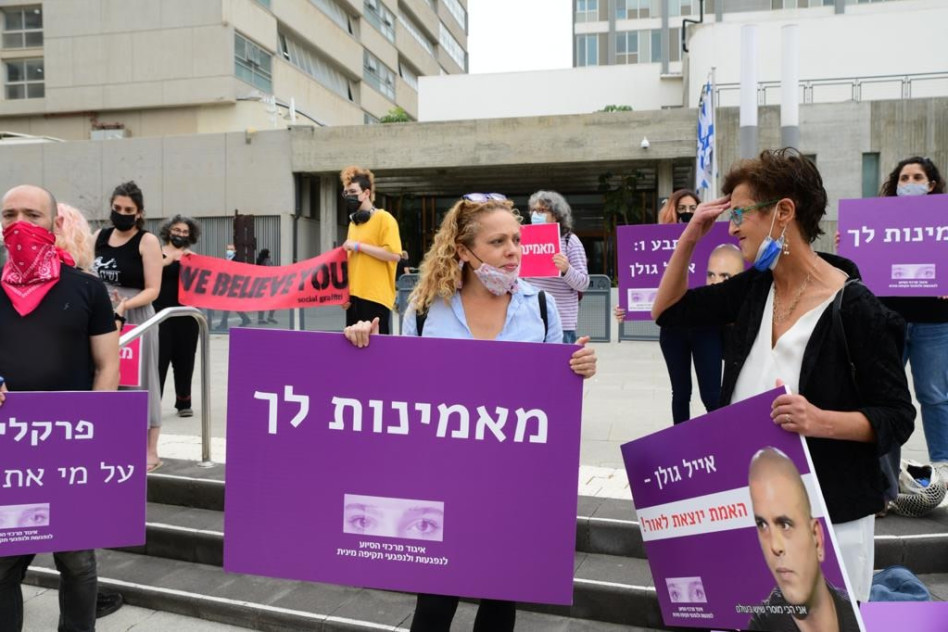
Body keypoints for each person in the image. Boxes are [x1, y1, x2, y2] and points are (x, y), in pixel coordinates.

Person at [651, 148, 915, 602]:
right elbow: (668, 311)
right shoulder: (756, 288)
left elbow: (898, 416)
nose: (731, 228)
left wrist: (818, 421)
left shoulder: (856, 308)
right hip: (754, 512)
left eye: (739, 214)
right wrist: (691, 235)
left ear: (784, 212)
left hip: (831, 515)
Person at [343, 193, 597, 632]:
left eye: (516, 239)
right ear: (463, 250)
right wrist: (363, 348)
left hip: (513, 482)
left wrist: (578, 369)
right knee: (435, 603)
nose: (514, 250)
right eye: (498, 242)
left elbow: (552, 402)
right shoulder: (425, 311)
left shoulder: (540, 307)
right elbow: (399, 394)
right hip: (444, 480)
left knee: (500, 601)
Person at [0, 184, 120, 632]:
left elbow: (108, 367)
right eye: (9, 215)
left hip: (70, 450)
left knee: (77, 565)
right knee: (5, 566)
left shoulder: (87, 291)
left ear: (55, 223)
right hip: (8, 453)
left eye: (32, 214)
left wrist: (94, 431)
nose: (19, 225)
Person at [616, 190, 732, 424]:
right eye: (682, 209)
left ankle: (724, 439)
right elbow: (645, 280)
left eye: (692, 209)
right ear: (672, 211)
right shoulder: (657, 244)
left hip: (706, 327)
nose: (687, 214)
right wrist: (627, 308)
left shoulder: (715, 241)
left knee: (711, 395)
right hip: (673, 329)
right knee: (680, 394)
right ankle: (683, 444)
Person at [877, 157, 948, 488]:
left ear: (931, 184)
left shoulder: (945, 220)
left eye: (918, 176)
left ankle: (943, 472)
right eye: (904, 177)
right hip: (890, 320)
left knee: (934, 395)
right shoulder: (879, 219)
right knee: (886, 397)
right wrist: (850, 245)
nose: (910, 182)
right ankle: (885, 479)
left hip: (935, 322)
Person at [92, 180, 165, 472]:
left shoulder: (147, 241)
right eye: (117, 208)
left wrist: (124, 306)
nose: (121, 213)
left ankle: (150, 449)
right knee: (106, 377)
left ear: (139, 213)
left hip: (135, 317)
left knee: (142, 381)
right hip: (102, 317)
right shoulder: (99, 236)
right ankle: (112, 441)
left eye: (128, 210)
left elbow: (153, 289)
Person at [747, 448, 859, 632]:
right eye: (762, 525)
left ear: (817, 538)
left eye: (785, 524)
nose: (774, 546)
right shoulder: (761, 623)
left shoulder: (863, 614)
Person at [340, 165, 402, 335]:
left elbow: (394, 255)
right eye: (346, 193)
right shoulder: (354, 223)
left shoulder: (385, 219)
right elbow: (351, 262)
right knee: (353, 350)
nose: (349, 196)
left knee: (377, 353)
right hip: (354, 299)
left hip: (376, 297)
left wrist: (358, 246)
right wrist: (345, 293)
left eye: (353, 191)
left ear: (366, 193)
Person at [525, 190, 590, 344]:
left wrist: (567, 269)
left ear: (556, 214)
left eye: (541, 210)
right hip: (530, 318)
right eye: (533, 210)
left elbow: (583, 283)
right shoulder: (525, 240)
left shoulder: (570, 241)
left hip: (561, 321)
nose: (535, 215)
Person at [154, 215, 201, 418]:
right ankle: (154, 403)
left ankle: (184, 402)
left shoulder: (192, 257)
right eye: (176, 230)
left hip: (186, 316)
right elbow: (146, 272)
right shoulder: (156, 252)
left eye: (184, 232)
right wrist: (169, 260)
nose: (180, 234)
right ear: (168, 231)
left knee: (185, 360)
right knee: (159, 360)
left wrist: (193, 263)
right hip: (160, 315)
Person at [215, 244, 252, 330]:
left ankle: (223, 324)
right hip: (228, 286)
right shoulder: (225, 261)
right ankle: (245, 319)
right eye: (228, 249)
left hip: (235, 286)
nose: (229, 251)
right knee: (231, 305)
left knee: (227, 305)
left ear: (235, 251)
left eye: (231, 249)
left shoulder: (238, 260)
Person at [255, 248, 278, 325]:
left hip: (261, 284)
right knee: (274, 301)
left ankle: (260, 318)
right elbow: (271, 270)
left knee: (262, 302)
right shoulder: (267, 261)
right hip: (269, 284)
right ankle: (270, 316)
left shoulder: (259, 261)